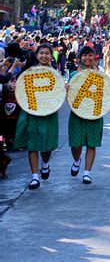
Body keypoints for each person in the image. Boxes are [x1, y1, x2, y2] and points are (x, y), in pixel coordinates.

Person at [14, 44, 60, 189]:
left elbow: (59, 95)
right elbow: (19, 86)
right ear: (37, 54)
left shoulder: (56, 75)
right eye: (41, 53)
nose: (44, 56)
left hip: (49, 113)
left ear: (51, 56)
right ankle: (34, 177)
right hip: (32, 111)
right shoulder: (29, 72)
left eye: (47, 53)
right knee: (32, 145)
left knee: (47, 147)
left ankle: (45, 164)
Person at [68, 46, 104, 184]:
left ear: (94, 57)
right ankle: (77, 161)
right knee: (76, 145)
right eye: (84, 55)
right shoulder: (73, 75)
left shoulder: (101, 74)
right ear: (80, 57)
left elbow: (105, 92)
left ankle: (87, 172)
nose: (87, 58)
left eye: (90, 55)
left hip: (95, 113)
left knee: (91, 144)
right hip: (77, 114)